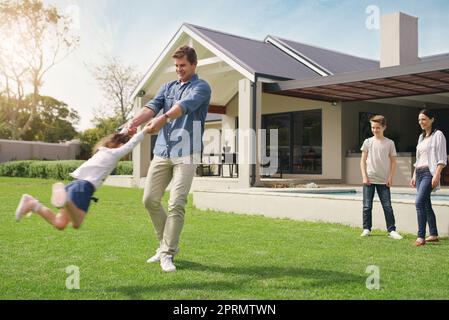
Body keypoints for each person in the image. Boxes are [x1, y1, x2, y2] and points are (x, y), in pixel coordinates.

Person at [121, 45, 211, 272]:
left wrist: (162, 120)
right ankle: (164, 246)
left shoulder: (201, 87)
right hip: (162, 151)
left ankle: (168, 253)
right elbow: (150, 108)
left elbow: (183, 107)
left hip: (187, 153)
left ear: (193, 65)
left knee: (176, 204)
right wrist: (133, 123)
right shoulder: (167, 87)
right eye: (177, 66)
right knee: (149, 199)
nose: (179, 70)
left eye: (183, 65)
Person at [15, 126, 152, 229]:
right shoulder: (114, 154)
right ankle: (66, 201)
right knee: (77, 223)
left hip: (75, 185)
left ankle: (32, 203)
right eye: (123, 144)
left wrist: (127, 130)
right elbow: (132, 143)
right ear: (120, 145)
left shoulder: (102, 151)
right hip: (84, 188)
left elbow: (120, 136)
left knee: (60, 223)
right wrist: (145, 130)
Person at [360, 115, 403, 240]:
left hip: (384, 180)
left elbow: (394, 162)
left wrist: (390, 177)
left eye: (378, 127)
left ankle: (392, 230)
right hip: (369, 179)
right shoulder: (367, 142)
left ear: (384, 127)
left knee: (387, 206)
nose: (375, 130)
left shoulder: (390, 143)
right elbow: (362, 161)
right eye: (373, 127)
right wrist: (364, 176)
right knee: (367, 206)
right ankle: (366, 229)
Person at [411, 109, 447, 246]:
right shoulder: (421, 137)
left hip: (429, 173)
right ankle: (433, 234)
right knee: (426, 204)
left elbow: (442, 158)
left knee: (419, 203)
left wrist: (437, 174)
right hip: (419, 173)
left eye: (424, 119)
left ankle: (421, 237)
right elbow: (419, 158)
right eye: (419, 120)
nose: (421, 122)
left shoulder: (438, 135)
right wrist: (414, 175)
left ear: (432, 119)